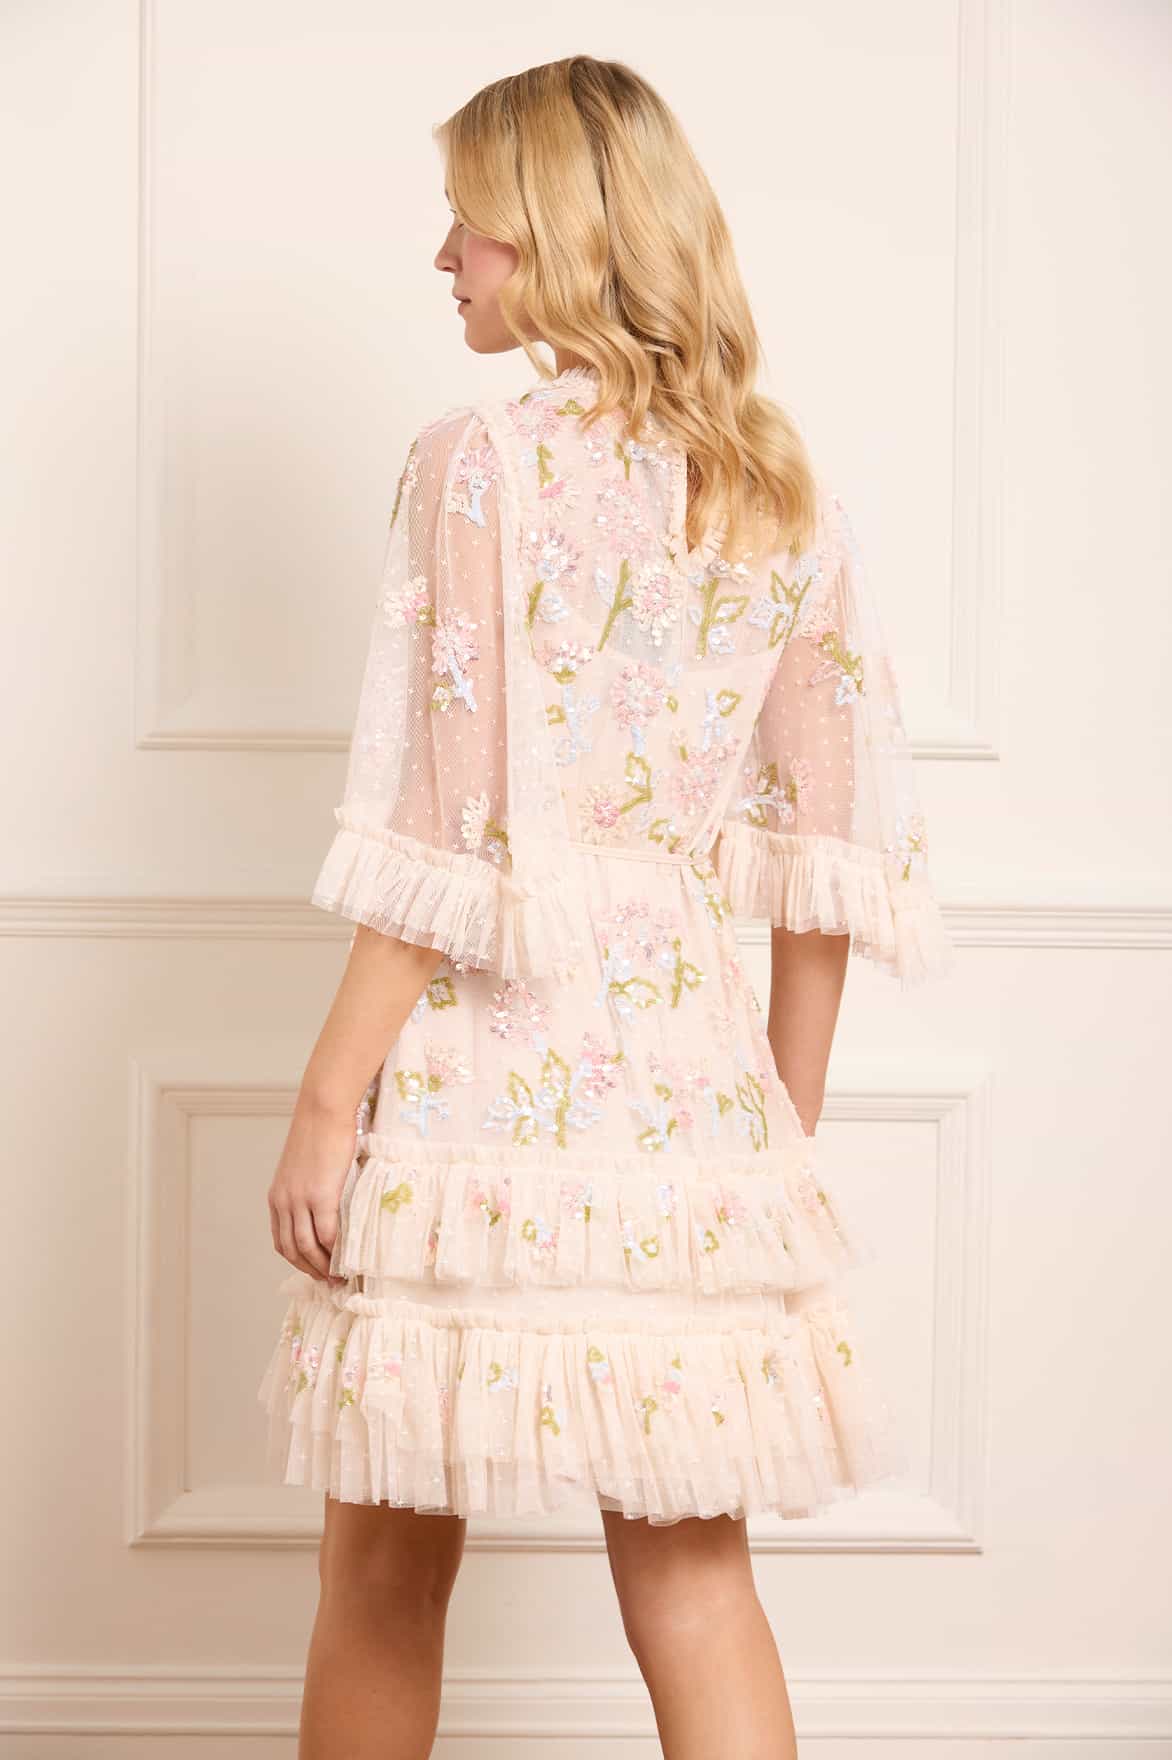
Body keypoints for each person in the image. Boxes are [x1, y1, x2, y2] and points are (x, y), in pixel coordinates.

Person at [258, 54, 954, 1760]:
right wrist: (778, 1126)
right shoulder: (784, 495)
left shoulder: (478, 466)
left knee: (381, 1572)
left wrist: (328, 1100)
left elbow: (452, 830)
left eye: (473, 226)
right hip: (690, 1087)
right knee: (697, 1576)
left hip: (473, 1088)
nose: (444, 258)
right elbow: (819, 853)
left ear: (561, 236)